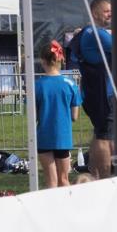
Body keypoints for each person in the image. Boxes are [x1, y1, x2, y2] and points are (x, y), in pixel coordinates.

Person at [35, 41, 82, 188]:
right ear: (60, 59)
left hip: (44, 137)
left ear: (43, 60)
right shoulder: (70, 84)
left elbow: (34, 116)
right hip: (63, 137)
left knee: (51, 180)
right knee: (64, 179)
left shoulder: (37, 85)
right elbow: (74, 116)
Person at [77, 0, 114, 178]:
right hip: (102, 93)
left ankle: (95, 174)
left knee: (102, 133)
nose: (111, 14)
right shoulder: (96, 33)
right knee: (104, 135)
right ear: (94, 13)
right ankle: (104, 176)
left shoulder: (92, 32)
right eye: (107, 11)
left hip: (99, 92)